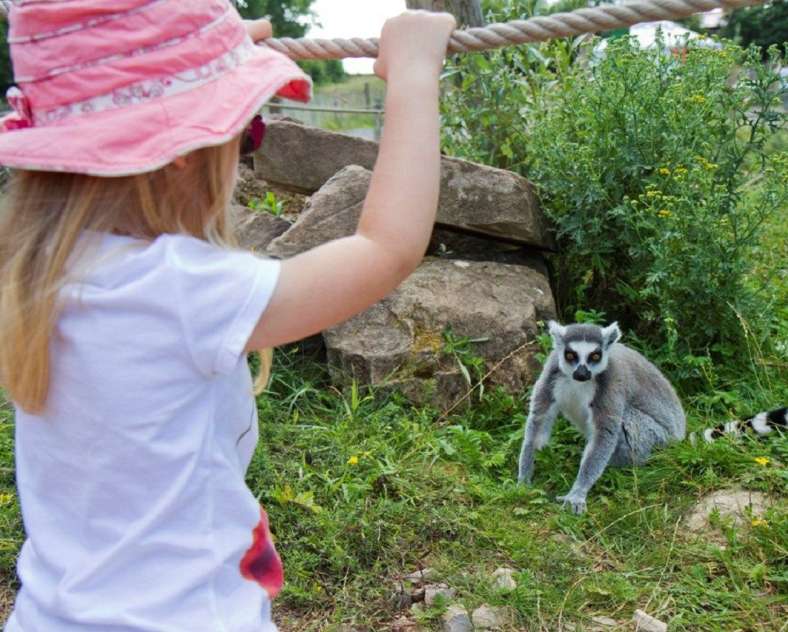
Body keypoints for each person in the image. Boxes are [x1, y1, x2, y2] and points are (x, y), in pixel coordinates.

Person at [0, 1, 455, 631]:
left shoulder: (35, 269)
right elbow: (387, 248)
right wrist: (414, 75)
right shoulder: (176, 287)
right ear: (182, 149)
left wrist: (185, 60)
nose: (243, 149)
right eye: (247, 131)